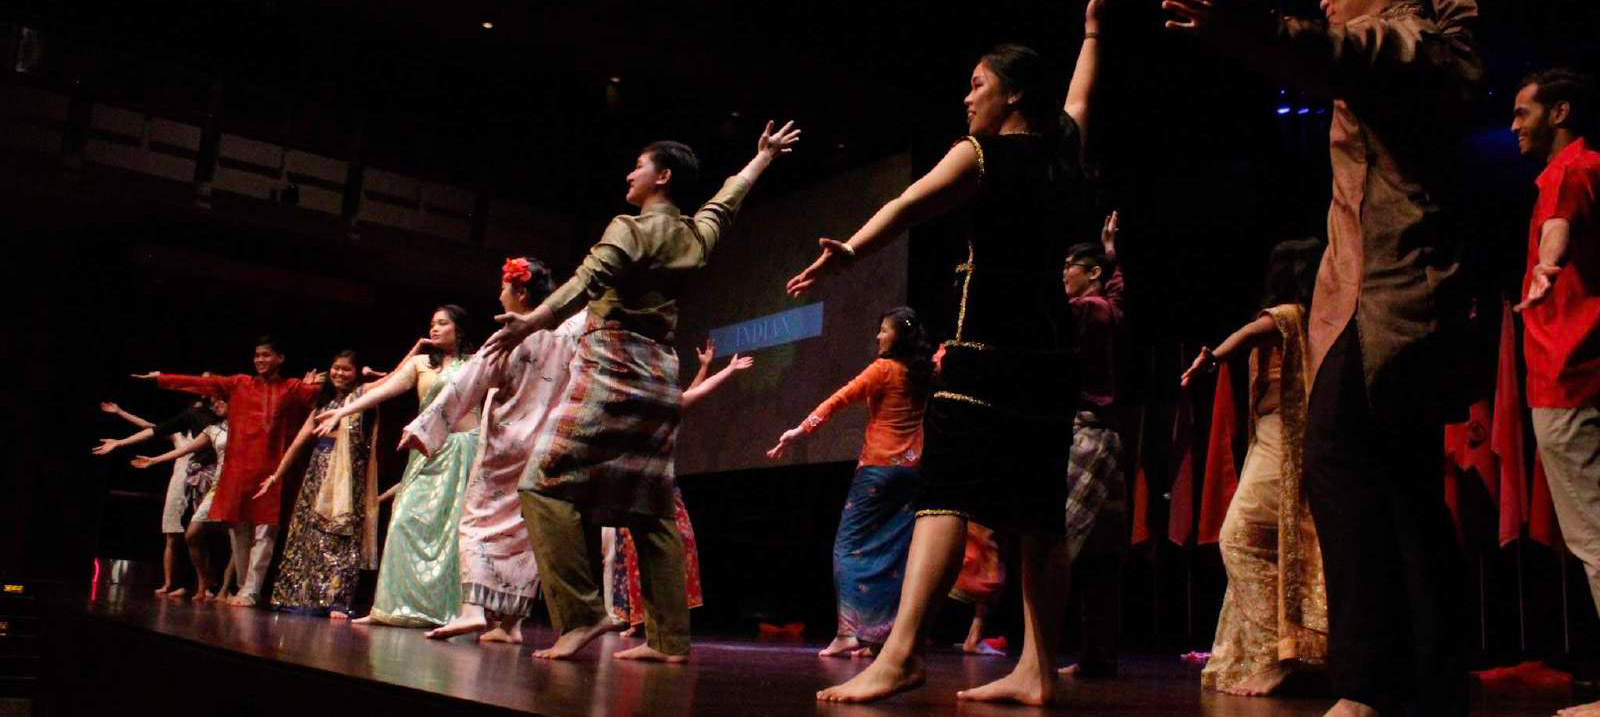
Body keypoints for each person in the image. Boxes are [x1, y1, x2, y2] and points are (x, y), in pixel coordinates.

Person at [1163, 1, 1481, 714]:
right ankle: (1424, 680)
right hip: (1357, 290)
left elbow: (1352, 50)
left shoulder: (1418, 44)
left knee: (1348, 459)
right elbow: (1323, 55)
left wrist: (1255, 29)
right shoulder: (1391, 46)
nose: (1327, 1)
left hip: (1401, 288)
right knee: (1400, 483)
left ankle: (1373, 683)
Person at [785, 6, 1105, 702]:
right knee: (1037, 515)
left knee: (943, 496)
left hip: (984, 350)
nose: (966, 96)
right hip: (1050, 356)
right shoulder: (1064, 152)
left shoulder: (981, 154)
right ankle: (1039, 670)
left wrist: (848, 252)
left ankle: (900, 654)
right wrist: (1092, 35)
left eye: (977, 83)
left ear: (1012, 93)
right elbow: (1080, 96)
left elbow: (906, 204)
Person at [483, 120, 801, 663]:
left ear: (663, 177)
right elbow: (726, 201)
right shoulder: (695, 234)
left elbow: (588, 278)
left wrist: (529, 321)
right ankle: (670, 640)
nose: (630, 173)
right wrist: (763, 158)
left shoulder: (630, 228)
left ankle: (583, 615)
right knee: (650, 507)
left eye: (640, 165)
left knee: (541, 485)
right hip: (660, 371)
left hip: (612, 365)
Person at [400, 259, 584, 643]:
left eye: (504, 287)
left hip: (508, 443)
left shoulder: (511, 336)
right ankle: (511, 625)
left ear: (519, 293)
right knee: (522, 531)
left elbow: (467, 382)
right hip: (546, 446)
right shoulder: (567, 335)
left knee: (477, 521)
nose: (499, 294)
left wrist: (423, 428)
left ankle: (472, 611)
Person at [1183, 238, 1330, 696]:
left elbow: (1250, 333)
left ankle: (1281, 655)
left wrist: (1213, 357)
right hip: (1270, 441)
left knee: (1239, 538)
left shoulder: (1292, 315)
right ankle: (1273, 653)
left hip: (1283, 443)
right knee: (1272, 547)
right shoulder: (1312, 320)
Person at [1508, 68, 1600, 717]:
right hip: (1582, 370)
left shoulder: (1568, 169)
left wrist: (1545, 267)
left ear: (1559, 110)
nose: (1512, 124)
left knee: (1594, 536)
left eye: (1522, 112)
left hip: (1567, 373)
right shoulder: (1591, 164)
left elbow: (1558, 230)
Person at [769, 308, 933, 659]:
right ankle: (877, 637)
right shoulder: (924, 372)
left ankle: (848, 632)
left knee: (847, 546)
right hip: (912, 473)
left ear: (898, 336)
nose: (877, 336)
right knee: (892, 552)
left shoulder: (884, 369)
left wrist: (801, 430)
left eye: (883, 330)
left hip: (878, 470)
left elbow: (840, 398)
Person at [313, 307, 480, 628]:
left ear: (459, 329)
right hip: (427, 453)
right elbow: (385, 391)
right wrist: (343, 411)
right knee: (403, 521)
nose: (434, 329)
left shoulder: (477, 363)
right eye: (431, 323)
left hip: (463, 451)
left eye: (442, 323)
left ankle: (447, 612)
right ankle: (390, 608)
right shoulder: (420, 364)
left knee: (452, 533)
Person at [134, 336, 325, 607]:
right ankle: (242, 587)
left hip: (272, 473)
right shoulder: (239, 384)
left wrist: (317, 383)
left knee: (265, 534)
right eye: (257, 355)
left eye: (267, 355)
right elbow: (202, 383)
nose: (260, 360)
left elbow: (330, 391)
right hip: (239, 472)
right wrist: (161, 379)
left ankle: (251, 590)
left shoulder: (292, 388)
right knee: (239, 533)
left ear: (280, 358)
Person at [604, 339, 752, 637]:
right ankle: (638, 620)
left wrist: (722, 370)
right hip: (634, 495)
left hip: (662, 492)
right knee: (633, 557)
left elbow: (695, 393)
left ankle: (663, 621)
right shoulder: (633, 415)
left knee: (672, 551)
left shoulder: (665, 410)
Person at [1056, 211, 1129, 679]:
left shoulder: (1090, 309)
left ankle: (1040, 652)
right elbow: (1117, 288)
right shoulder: (1112, 305)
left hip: (1088, 437)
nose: (1063, 272)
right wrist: (1111, 253)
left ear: (1091, 276)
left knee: (1061, 545)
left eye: (1070, 266)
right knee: (1101, 554)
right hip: (1107, 440)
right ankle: (1096, 655)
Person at [253, 351, 378, 619]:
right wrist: (276, 476)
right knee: (308, 536)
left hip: (347, 477)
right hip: (316, 475)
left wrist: (378, 373)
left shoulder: (362, 397)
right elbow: (299, 442)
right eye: (335, 368)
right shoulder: (323, 404)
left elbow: (398, 377)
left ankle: (336, 600)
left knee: (340, 536)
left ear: (356, 373)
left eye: (346, 369)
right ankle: (301, 597)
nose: (339, 374)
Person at [93, 398, 219, 597]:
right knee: (172, 533)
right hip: (178, 485)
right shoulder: (179, 434)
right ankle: (171, 583)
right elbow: (150, 426)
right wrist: (120, 412)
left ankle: (205, 586)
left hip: (201, 483)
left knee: (198, 536)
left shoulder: (210, 435)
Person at [128, 398, 233, 602]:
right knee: (188, 533)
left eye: (214, 399)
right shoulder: (208, 431)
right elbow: (157, 430)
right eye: (204, 400)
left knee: (230, 537)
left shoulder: (229, 428)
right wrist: (152, 460)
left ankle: (224, 588)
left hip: (221, 482)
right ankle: (197, 584)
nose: (207, 403)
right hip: (199, 484)